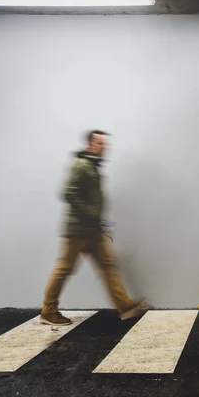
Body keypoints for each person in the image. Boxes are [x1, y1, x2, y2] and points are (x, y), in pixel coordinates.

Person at [40, 130, 150, 326]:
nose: (104, 147)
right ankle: (48, 311)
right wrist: (91, 215)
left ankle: (125, 306)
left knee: (108, 266)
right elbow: (67, 193)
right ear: (90, 145)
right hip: (77, 231)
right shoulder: (81, 165)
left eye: (105, 144)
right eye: (100, 143)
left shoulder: (92, 166)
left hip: (93, 231)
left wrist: (100, 222)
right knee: (64, 269)